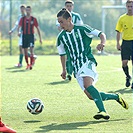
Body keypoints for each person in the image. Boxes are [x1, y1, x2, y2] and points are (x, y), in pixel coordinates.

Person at [56, 8, 129, 120]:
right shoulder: (61, 37)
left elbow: (101, 34)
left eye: (62, 21)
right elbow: (62, 54)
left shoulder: (82, 28)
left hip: (87, 61)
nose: (60, 25)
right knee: (91, 95)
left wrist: (102, 43)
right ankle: (116, 97)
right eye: (59, 22)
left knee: (87, 85)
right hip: (76, 68)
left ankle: (103, 111)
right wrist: (64, 70)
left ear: (69, 19)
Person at [56, 0, 83, 81]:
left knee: (74, 55)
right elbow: (58, 26)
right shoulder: (61, 15)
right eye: (67, 6)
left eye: (70, 6)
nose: (69, 7)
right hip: (66, 39)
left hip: (76, 40)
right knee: (67, 55)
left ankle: (75, 71)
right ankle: (69, 73)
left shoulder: (76, 16)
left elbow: (80, 26)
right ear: (65, 6)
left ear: (72, 7)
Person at [18, 6, 42, 70]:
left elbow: (37, 28)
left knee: (31, 50)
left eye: (29, 10)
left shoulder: (33, 19)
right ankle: (27, 64)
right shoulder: (22, 19)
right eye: (27, 10)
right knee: (25, 51)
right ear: (25, 11)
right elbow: (19, 26)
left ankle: (31, 64)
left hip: (31, 36)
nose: (28, 11)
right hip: (24, 36)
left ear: (31, 10)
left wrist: (40, 38)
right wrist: (19, 32)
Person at [115, 0, 133, 88]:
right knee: (124, 63)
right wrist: (118, 43)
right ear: (126, 7)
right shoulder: (122, 18)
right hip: (125, 43)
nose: (130, 8)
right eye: (128, 6)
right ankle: (128, 76)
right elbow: (118, 31)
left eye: (131, 6)